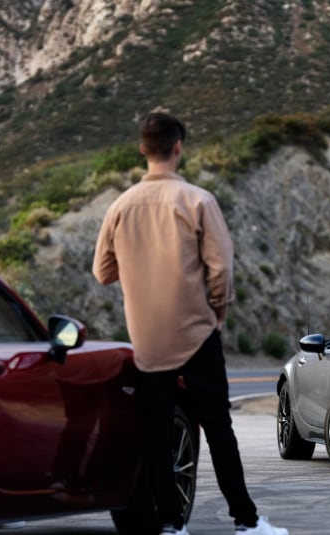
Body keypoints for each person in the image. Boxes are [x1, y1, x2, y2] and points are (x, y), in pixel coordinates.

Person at [92, 112, 288, 535]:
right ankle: (246, 520)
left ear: (142, 149)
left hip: (147, 340)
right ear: (178, 147)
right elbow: (221, 267)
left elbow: (103, 272)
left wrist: (140, 268)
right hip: (196, 332)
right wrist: (219, 309)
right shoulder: (198, 201)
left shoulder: (120, 206)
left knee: (157, 434)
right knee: (218, 428)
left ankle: (170, 523)